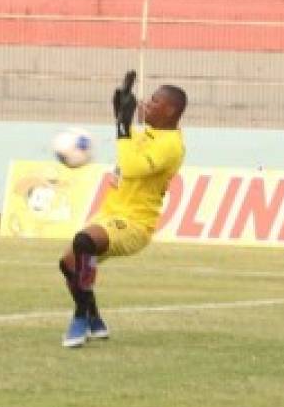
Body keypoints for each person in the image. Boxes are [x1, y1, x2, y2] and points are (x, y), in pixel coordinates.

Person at [58, 73, 187, 348]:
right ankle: (95, 319)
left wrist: (122, 127)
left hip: (135, 224)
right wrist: (120, 115)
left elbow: (131, 166)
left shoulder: (171, 145)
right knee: (68, 263)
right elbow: (128, 144)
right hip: (110, 215)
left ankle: (80, 317)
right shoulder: (148, 135)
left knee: (84, 242)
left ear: (170, 110)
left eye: (154, 102)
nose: (147, 104)